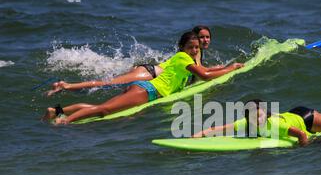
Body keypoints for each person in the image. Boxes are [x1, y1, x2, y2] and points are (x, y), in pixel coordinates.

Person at [43, 31, 244, 124]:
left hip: (144, 88)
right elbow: (205, 75)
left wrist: (223, 68)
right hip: (147, 90)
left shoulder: (187, 60)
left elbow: (205, 71)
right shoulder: (182, 57)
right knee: (103, 110)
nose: (194, 50)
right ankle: (65, 121)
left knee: (105, 106)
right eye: (191, 47)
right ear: (182, 47)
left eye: (196, 48)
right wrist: (232, 68)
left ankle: (56, 111)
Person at [46, 25, 223, 96]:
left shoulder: (195, 54)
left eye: (208, 37)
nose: (205, 40)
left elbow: (201, 70)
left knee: (110, 85)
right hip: (150, 73)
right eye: (201, 37)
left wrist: (218, 68)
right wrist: (226, 69)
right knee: (108, 83)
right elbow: (203, 73)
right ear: (194, 39)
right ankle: (66, 85)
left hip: (152, 77)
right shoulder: (193, 53)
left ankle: (70, 89)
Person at [193, 98, 321, 146]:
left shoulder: (276, 126)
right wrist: (198, 136)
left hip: (306, 120)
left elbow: (300, 134)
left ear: (265, 115)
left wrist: (305, 148)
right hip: (292, 113)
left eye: (259, 115)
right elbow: (218, 128)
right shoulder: (245, 123)